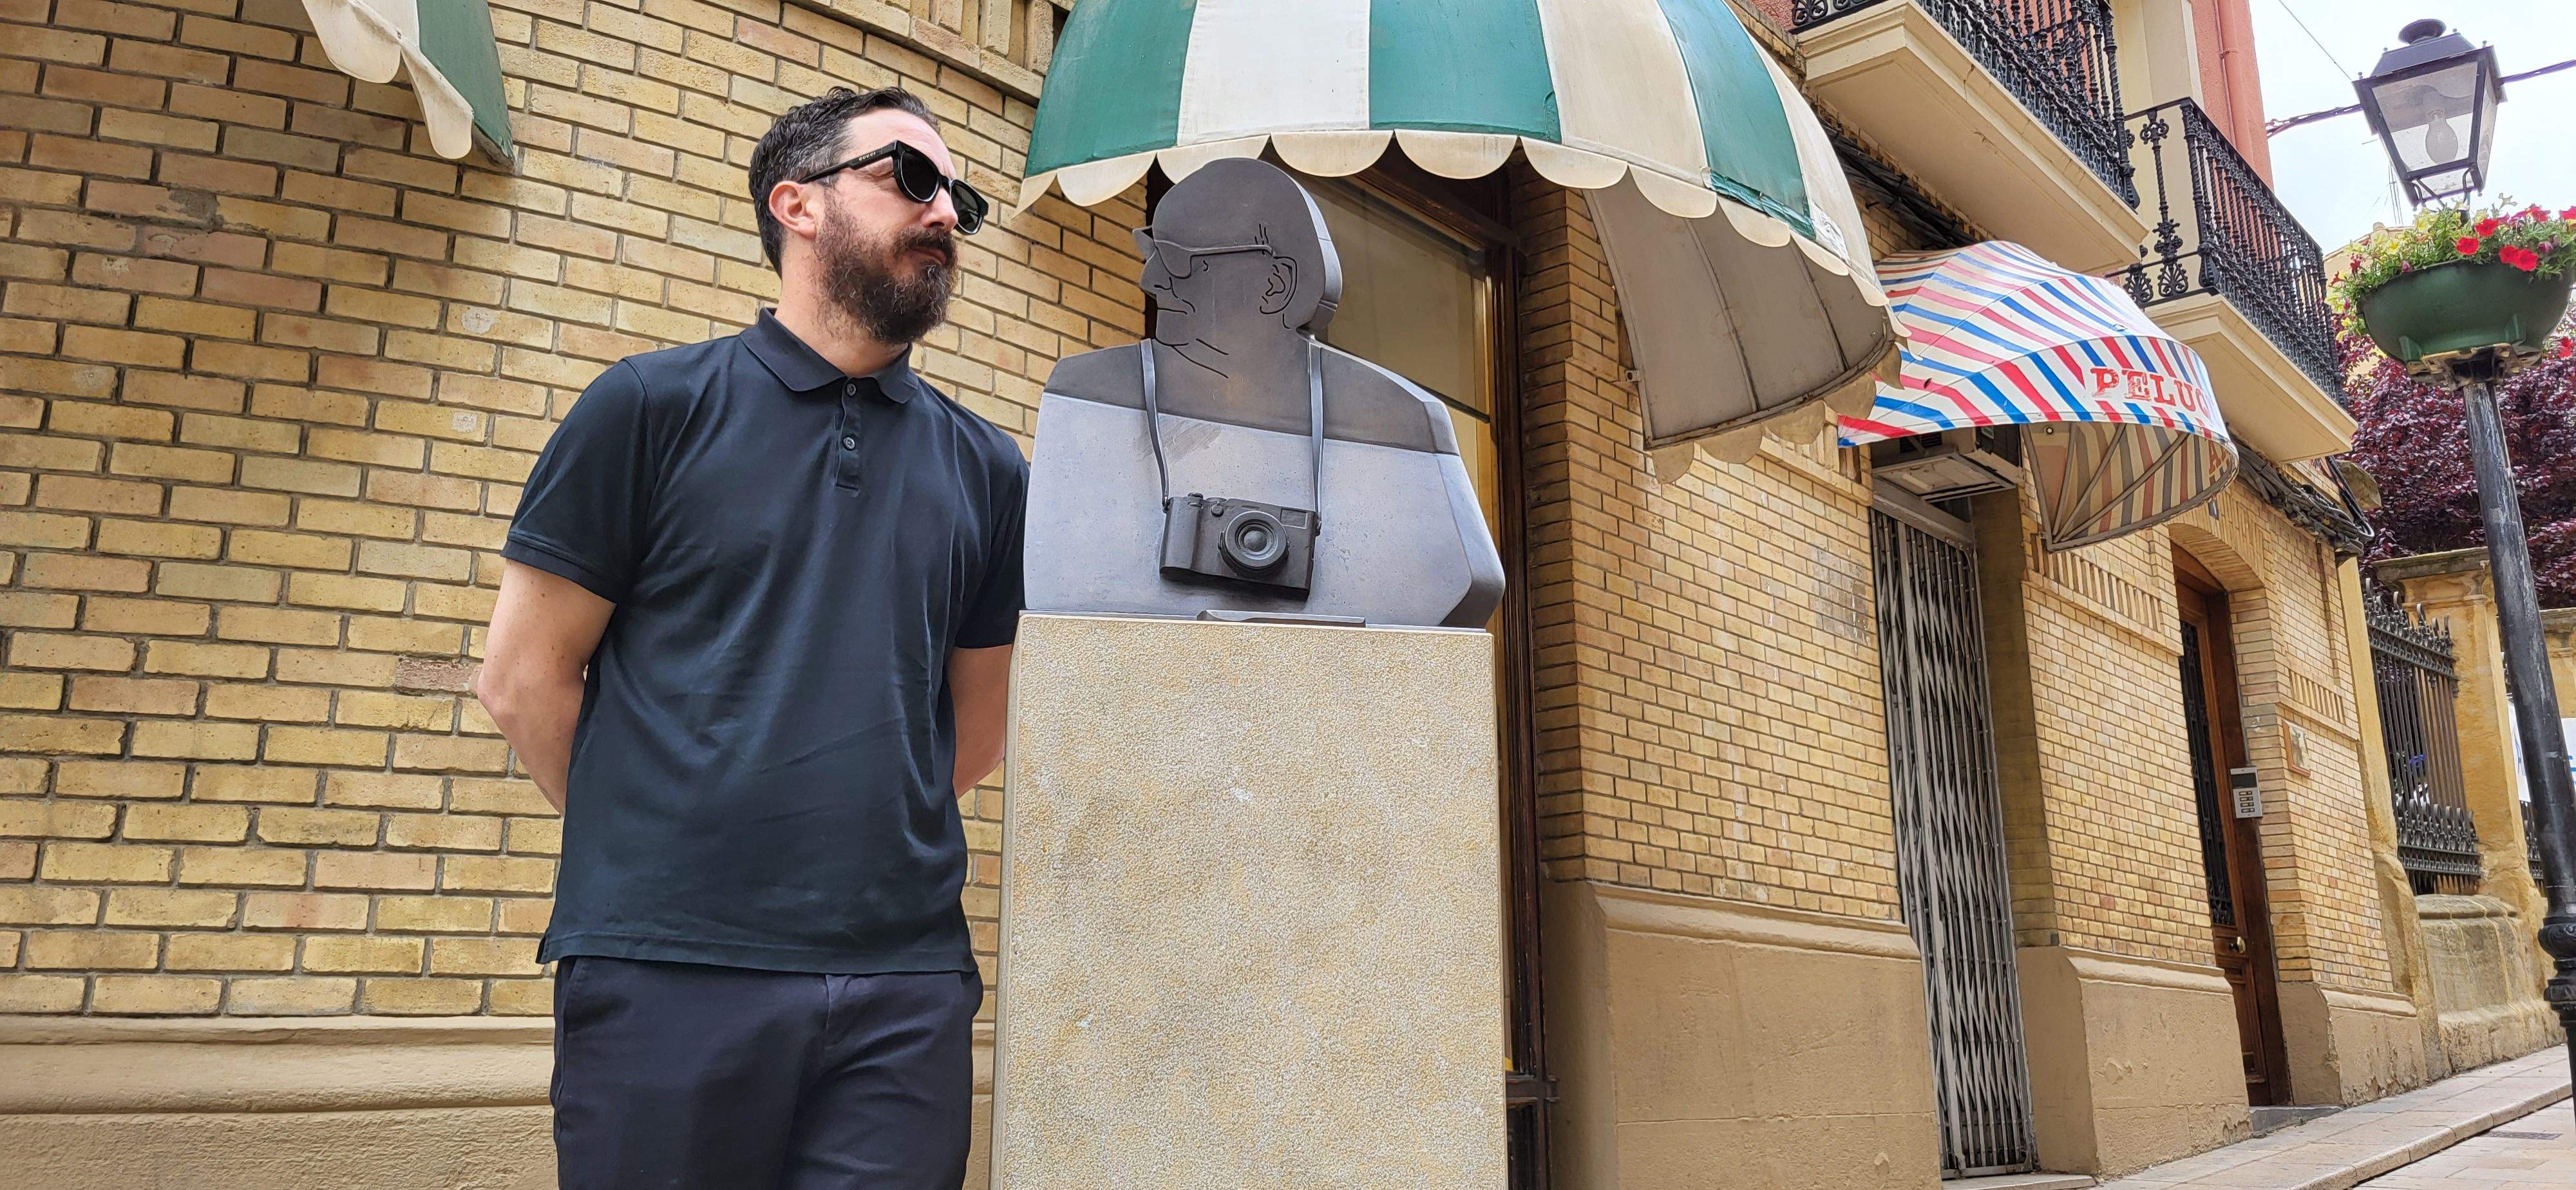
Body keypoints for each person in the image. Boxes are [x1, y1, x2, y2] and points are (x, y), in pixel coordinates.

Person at [476, 86, 1025, 1190]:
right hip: (665, 973)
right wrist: (668, 848)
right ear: (798, 205)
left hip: (903, 992)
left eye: (956, 193)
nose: (946, 214)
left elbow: (975, 726)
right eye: (908, 177)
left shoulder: (993, 472)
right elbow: (524, 681)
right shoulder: (648, 408)